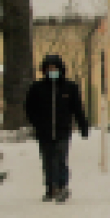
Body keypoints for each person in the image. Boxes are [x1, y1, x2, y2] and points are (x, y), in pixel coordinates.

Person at [24, 54, 89, 203]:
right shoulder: (37, 88)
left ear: (60, 69)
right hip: (44, 131)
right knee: (47, 159)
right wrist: (36, 123)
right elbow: (29, 108)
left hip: (62, 130)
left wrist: (83, 126)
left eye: (54, 68)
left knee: (60, 158)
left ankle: (62, 186)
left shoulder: (70, 88)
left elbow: (77, 108)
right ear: (44, 70)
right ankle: (50, 187)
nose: (52, 71)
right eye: (49, 68)